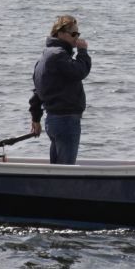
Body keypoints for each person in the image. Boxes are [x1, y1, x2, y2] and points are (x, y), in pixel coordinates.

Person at [28, 15, 91, 164]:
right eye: (73, 34)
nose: (77, 38)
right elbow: (79, 72)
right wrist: (83, 52)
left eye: (78, 34)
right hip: (66, 120)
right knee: (65, 168)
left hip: (54, 120)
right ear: (60, 33)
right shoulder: (58, 56)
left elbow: (38, 91)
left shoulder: (46, 55)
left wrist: (36, 118)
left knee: (57, 166)